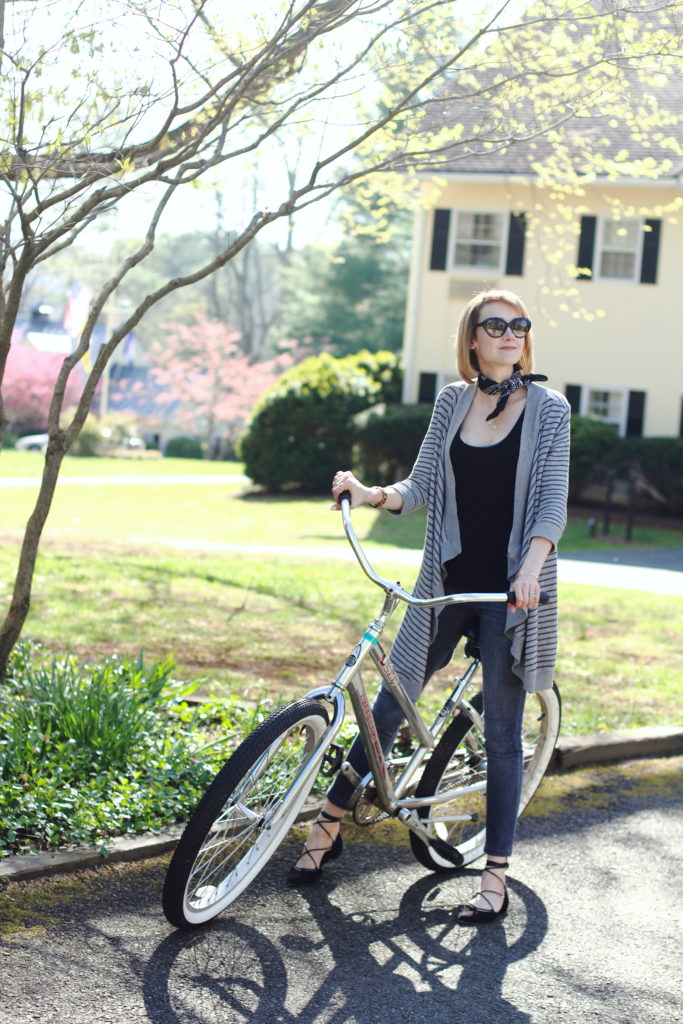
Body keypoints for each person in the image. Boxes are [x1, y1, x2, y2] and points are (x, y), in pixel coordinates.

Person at [288, 288, 570, 925]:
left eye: (518, 325)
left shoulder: (551, 410)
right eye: (493, 324)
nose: (508, 333)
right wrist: (369, 493)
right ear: (472, 338)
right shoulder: (452, 401)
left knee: (502, 735)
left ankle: (494, 875)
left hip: (511, 593)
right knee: (391, 702)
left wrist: (528, 574)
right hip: (443, 581)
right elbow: (420, 486)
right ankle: (328, 827)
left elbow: (551, 504)